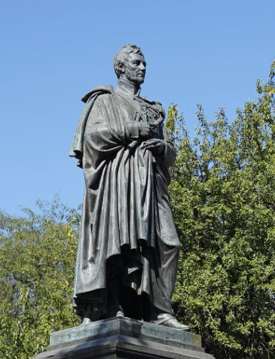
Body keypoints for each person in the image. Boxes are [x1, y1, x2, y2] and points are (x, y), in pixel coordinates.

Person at [69, 44, 188, 329]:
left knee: (169, 244)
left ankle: (160, 310)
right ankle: (113, 307)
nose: (143, 67)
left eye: (144, 63)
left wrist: (163, 147)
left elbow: (171, 151)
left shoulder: (153, 108)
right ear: (121, 67)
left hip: (151, 185)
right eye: (137, 63)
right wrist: (131, 130)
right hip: (118, 185)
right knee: (118, 244)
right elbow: (91, 138)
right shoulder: (105, 100)